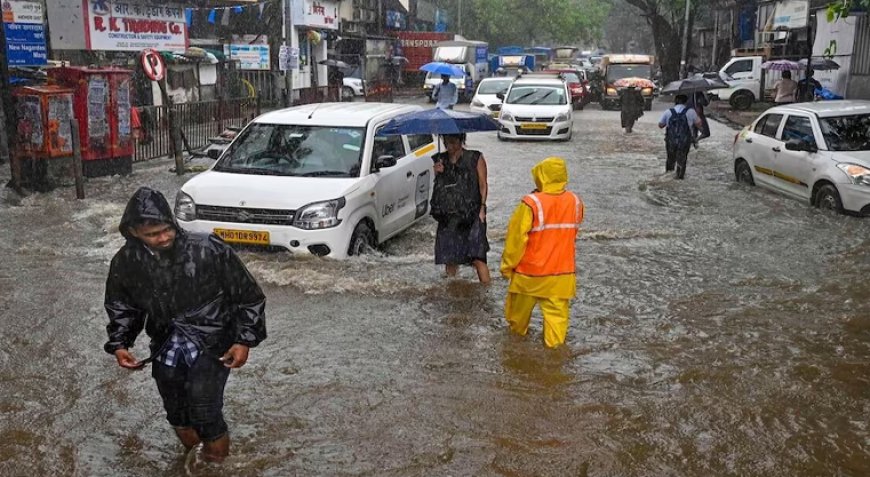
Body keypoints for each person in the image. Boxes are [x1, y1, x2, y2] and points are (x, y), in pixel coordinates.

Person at [104, 187, 267, 469]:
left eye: (166, 229)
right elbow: (122, 305)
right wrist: (120, 344)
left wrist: (244, 340)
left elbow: (248, 297)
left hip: (212, 340)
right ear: (133, 232)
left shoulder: (209, 248)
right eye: (153, 234)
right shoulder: (126, 262)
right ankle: (199, 460)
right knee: (177, 414)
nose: (164, 237)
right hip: (166, 344)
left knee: (205, 411)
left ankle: (217, 467)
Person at [500, 157, 585, 348]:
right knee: (557, 334)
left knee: (516, 327)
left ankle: (515, 360)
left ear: (540, 175)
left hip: (529, 276)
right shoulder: (576, 201)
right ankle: (554, 367)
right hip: (561, 277)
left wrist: (507, 267)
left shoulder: (530, 203)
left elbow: (515, 240)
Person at [431, 133, 490, 283]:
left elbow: (483, 185)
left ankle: (486, 292)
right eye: (446, 142)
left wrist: (482, 209)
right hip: (449, 215)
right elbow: (439, 189)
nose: (449, 146)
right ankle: (453, 289)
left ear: (461, 140)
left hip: (472, 214)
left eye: (453, 142)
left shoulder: (475, 158)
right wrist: (437, 173)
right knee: (450, 258)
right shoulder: (440, 160)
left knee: (478, 257)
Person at [658, 94, 702, 180]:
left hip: (671, 141)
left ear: (675, 101)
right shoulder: (691, 111)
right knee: (682, 160)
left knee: (670, 159)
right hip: (684, 141)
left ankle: (668, 177)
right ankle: (680, 177)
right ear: (685, 102)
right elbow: (699, 124)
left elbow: (660, 125)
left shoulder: (668, 112)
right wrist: (698, 114)